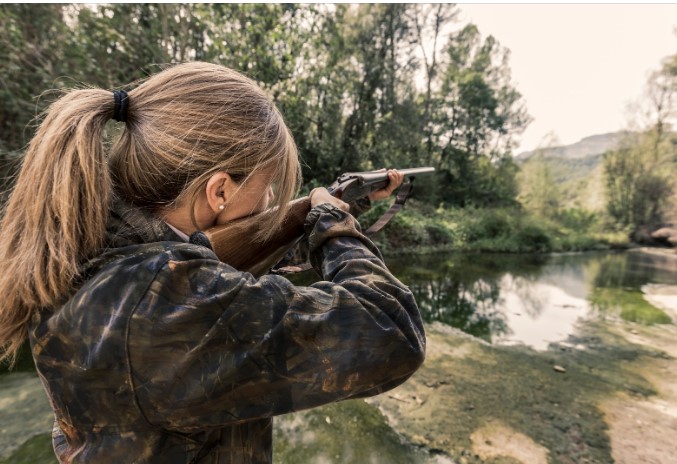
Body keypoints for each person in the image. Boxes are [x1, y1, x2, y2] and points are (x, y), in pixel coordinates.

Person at [0, 62, 425, 463]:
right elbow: (393, 328)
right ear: (219, 191)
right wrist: (331, 218)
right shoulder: (169, 299)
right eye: (268, 186)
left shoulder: (89, 247)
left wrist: (346, 205)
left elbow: (249, 263)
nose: (273, 202)